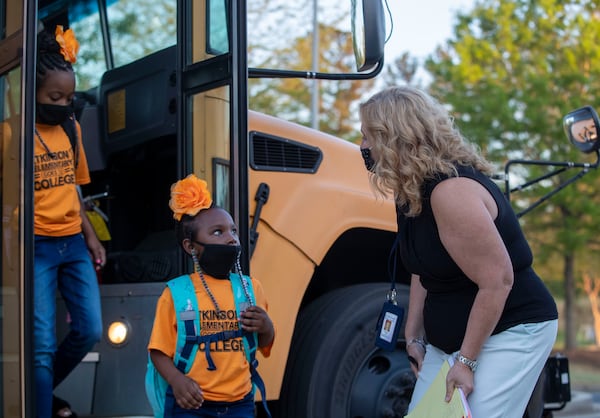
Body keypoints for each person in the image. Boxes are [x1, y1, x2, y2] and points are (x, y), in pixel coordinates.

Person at [358, 86, 558, 418]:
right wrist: (412, 334)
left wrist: (465, 361)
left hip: (512, 330)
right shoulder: (411, 191)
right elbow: (425, 269)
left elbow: (498, 282)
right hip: (449, 341)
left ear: (396, 138)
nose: (362, 147)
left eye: (368, 138)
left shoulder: (451, 192)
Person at [148, 173, 275, 417]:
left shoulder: (251, 288)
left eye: (234, 231)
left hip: (240, 405)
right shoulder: (175, 294)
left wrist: (266, 326)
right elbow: (158, 351)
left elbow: (265, 343)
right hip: (191, 406)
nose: (231, 238)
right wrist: (177, 381)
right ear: (190, 246)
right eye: (217, 232)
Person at [34, 25, 105, 418]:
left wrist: (91, 238)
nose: (63, 103)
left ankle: (38, 393)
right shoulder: (12, 134)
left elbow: (74, 190)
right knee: (41, 345)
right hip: (36, 247)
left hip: (73, 245)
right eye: (54, 97)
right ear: (33, 93)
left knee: (89, 330)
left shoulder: (70, 128)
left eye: (69, 96)